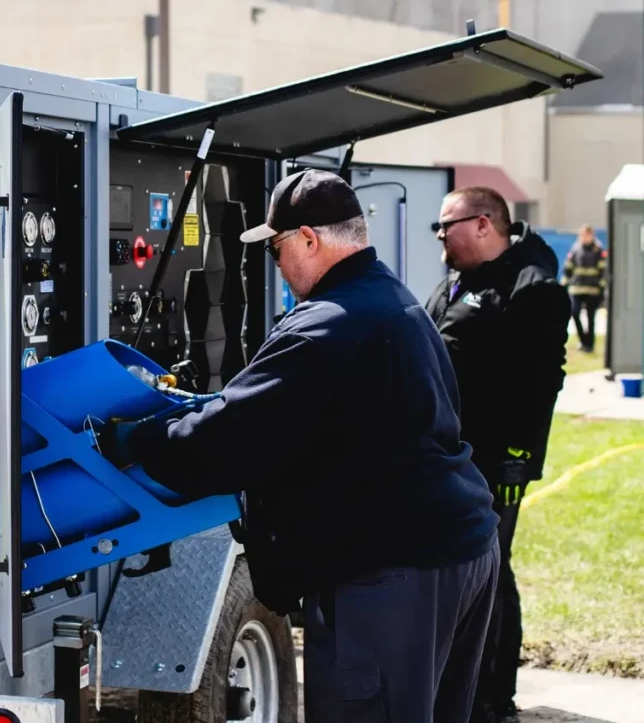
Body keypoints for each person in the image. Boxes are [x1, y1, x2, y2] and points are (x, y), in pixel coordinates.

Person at [102, 169, 500, 722]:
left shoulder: (327, 324)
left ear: (310, 240)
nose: (279, 268)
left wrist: (134, 439)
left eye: (277, 250)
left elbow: (230, 437)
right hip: (458, 549)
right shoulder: (392, 299)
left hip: (394, 570)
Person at [425, 187, 571, 723]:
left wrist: (518, 453)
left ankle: (491, 695)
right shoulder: (455, 280)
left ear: (484, 224)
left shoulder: (532, 286)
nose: (440, 236)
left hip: (494, 460)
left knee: (490, 570)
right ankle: (456, 685)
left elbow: (543, 378)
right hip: (447, 455)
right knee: (454, 569)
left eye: (448, 225)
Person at [561, 224, 607, 353]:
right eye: (583, 235)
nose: (585, 237)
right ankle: (583, 339)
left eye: (587, 235)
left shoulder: (598, 251)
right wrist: (563, 285)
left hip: (593, 290)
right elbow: (568, 269)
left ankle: (589, 345)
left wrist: (602, 288)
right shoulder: (575, 249)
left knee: (591, 318)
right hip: (577, 289)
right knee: (574, 313)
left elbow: (603, 271)